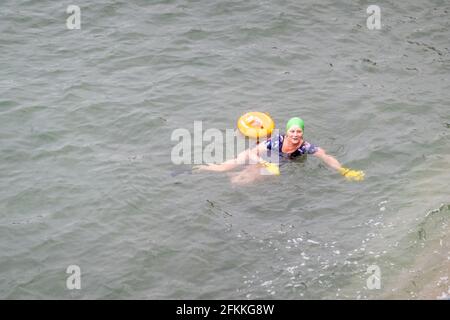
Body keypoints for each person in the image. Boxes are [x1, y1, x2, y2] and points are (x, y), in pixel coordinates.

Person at [195, 117, 364, 184]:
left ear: (302, 133)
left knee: (238, 182)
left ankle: (234, 176)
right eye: (292, 131)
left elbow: (326, 157)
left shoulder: (306, 147)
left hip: (277, 162)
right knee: (222, 168)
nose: (295, 134)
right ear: (287, 131)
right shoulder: (277, 140)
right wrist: (264, 163)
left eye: (299, 131)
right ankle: (199, 168)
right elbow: (254, 152)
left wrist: (344, 171)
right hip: (260, 156)